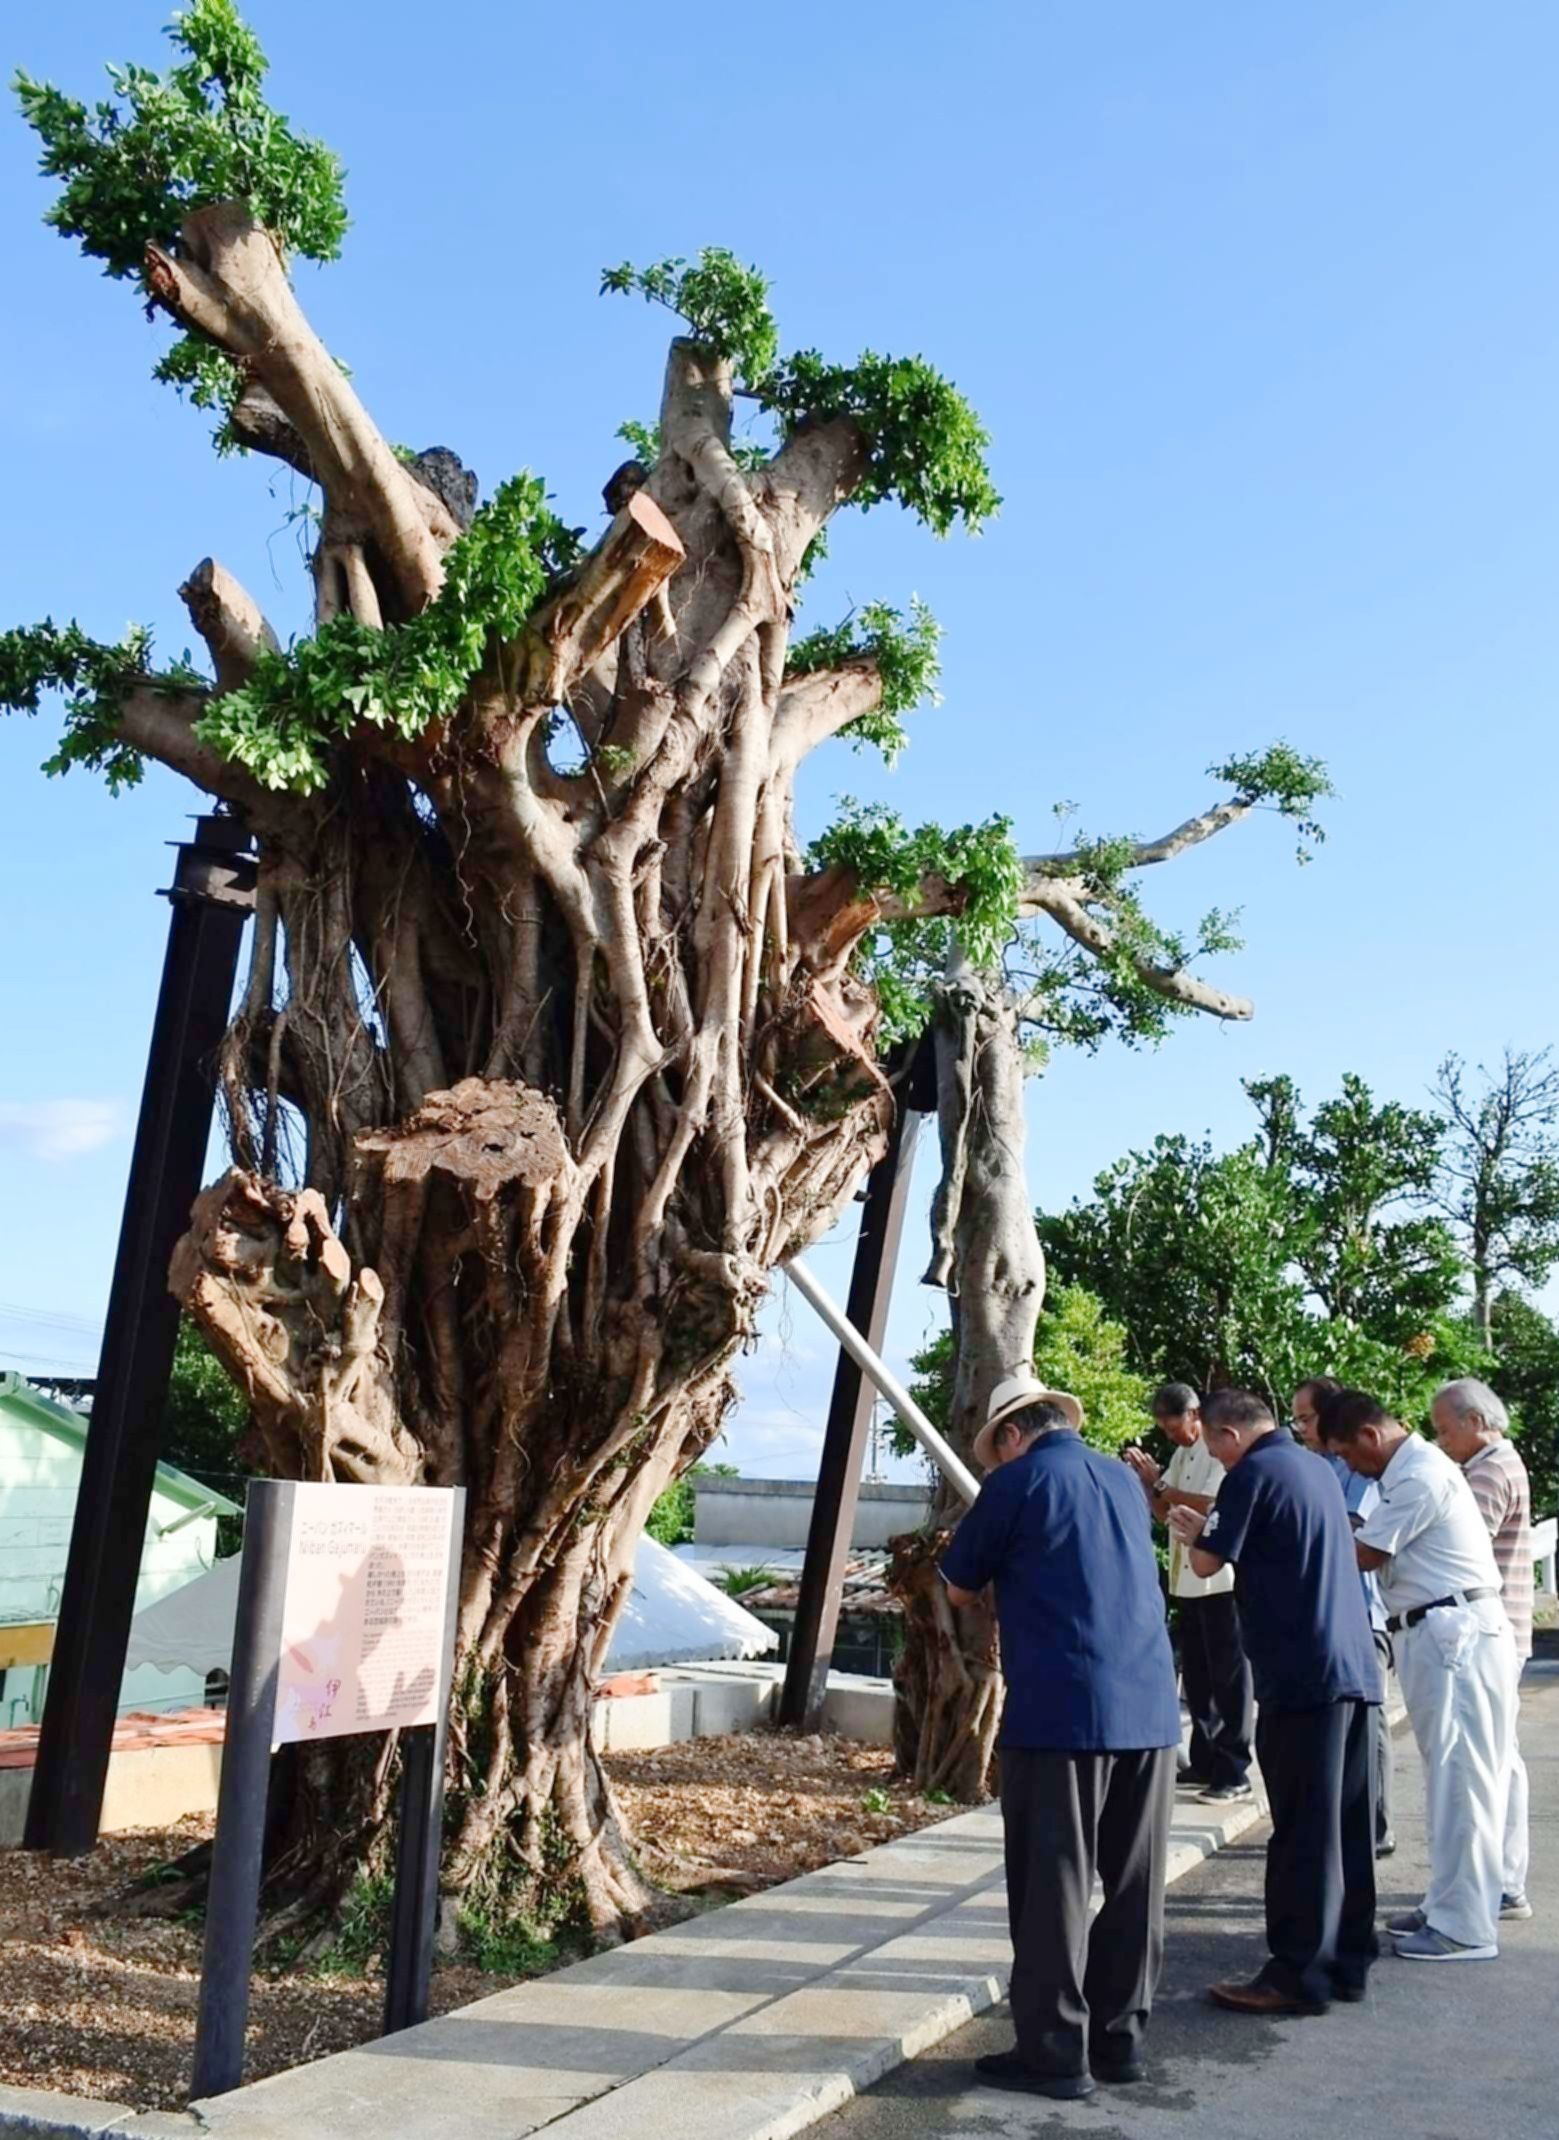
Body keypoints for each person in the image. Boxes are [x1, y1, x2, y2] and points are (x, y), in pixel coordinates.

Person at [942, 1372, 1181, 2101]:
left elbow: (957, 1581)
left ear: (1012, 1436)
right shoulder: (1119, 1479)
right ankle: (1120, 2041)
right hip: (1148, 1710)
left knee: (1054, 1886)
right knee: (1135, 1885)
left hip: (1061, 1712)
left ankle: (1052, 2052)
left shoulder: (1017, 1483)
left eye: (995, 1449)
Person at [1166, 1390, 1381, 2014]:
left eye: (1214, 1447)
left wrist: (1188, 1527)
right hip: (1353, 1666)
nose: (1216, 1459)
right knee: (1348, 1825)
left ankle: (1296, 1975)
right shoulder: (1316, 1468)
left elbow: (1207, 1563)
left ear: (1229, 1436)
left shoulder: (1251, 1473)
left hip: (1300, 1675)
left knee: (1302, 1830)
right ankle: (1348, 1963)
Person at [1318, 1387, 1518, 1961]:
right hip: (1437, 1631)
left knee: (1464, 1783)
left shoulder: (1421, 1476)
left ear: (1369, 1436)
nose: (1350, 1468)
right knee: (1449, 1781)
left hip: (1452, 1633)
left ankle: (1465, 1927)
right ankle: (1447, 1903)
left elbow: (1362, 1553)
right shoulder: (1405, 1473)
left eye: (1348, 1455)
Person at [1431, 1376, 1534, 1922]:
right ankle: (1503, 1879)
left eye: (1446, 1430)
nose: (1442, 1441)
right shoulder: (1494, 1463)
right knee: (1500, 1757)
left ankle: (1502, 1881)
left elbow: (1461, 1546)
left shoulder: (1490, 1470)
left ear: (1476, 1421)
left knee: (1492, 1761)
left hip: (1493, 1630)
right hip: (1508, 1627)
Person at [1123, 1381, 1254, 1805]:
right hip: (1186, 1579)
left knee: (1229, 1678)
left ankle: (1234, 1768)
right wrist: (1151, 1487)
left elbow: (1213, 1503)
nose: (1171, 1435)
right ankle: (1204, 1758)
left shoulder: (1217, 1453)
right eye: (1164, 1428)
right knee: (1196, 1678)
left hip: (1220, 1582)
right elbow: (1166, 1513)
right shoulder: (1181, 1456)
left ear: (1195, 1415)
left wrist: (1162, 1486)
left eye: (1175, 1425)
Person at [1293, 1376, 1396, 1856]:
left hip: (1362, 1617)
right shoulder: (1313, 1466)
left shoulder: (1358, 1467)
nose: (1300, 1428)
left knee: (1369, 1726)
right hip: (1321, 1619)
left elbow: (1352, 1528)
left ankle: (1375, 1826)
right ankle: (1340, 1826)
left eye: (1306, 1418)